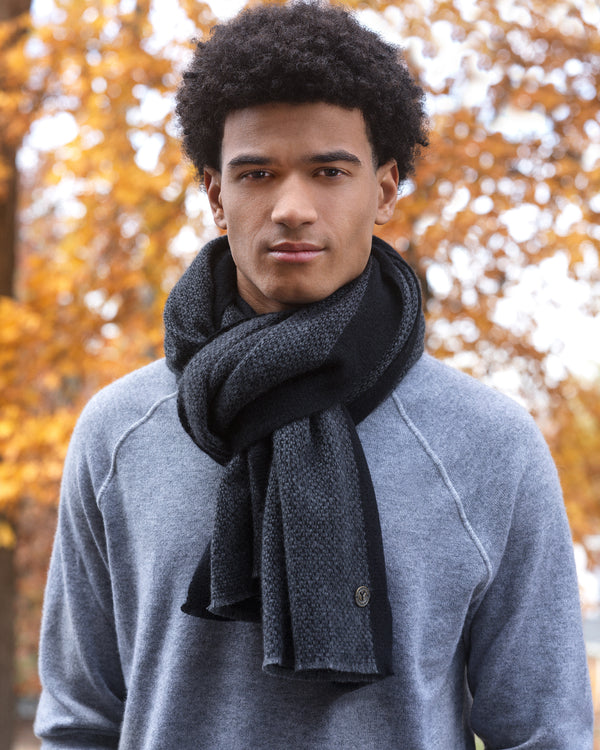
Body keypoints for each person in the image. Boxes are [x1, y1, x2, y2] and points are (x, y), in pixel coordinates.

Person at [35, 2, 592, 748]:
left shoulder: (490, 445)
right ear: (215, 197)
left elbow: (543, 731)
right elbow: (80, 725)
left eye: (329, 172)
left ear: (386, 189)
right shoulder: (117, 432)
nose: (292, 207)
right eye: (257, 173)